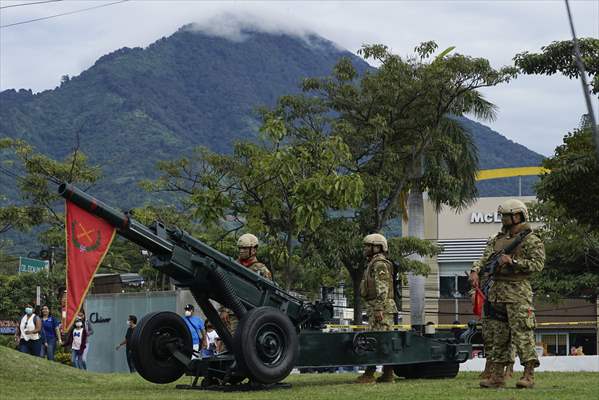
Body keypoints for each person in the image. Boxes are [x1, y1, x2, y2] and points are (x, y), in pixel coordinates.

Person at [470, 199, 545, 389]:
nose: (503, 219)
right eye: (502, 215)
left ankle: (528, 376)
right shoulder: (498, 239)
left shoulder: (531, 239)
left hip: (518, 293)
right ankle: (497, 376)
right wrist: (475, 271)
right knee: (498, 338)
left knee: (523, 335)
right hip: (496, 294)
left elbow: (537, 265)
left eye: (506, 215)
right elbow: (485, 257)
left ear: (518, 216)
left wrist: (513, 261)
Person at [355, 233, 397, 384]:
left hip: (381, 309)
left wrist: (379, 308)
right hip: (377, 308)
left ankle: (369, 374)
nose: (365, 248)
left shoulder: (379, 264)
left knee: (378, 341)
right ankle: (387, 374)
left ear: (377, 247)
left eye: (368, 246)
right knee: (381, 341)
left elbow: (383, 288)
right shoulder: (373, 263)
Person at [220, 233, 272, 334]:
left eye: (244, 248)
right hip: (231, 313)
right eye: (240, 248)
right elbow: (225, 286)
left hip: (250, 315)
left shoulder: (261, 270)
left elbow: (267, 296)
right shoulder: (233, 266)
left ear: (253, 250)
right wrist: (224, 310)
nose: (241, 251)